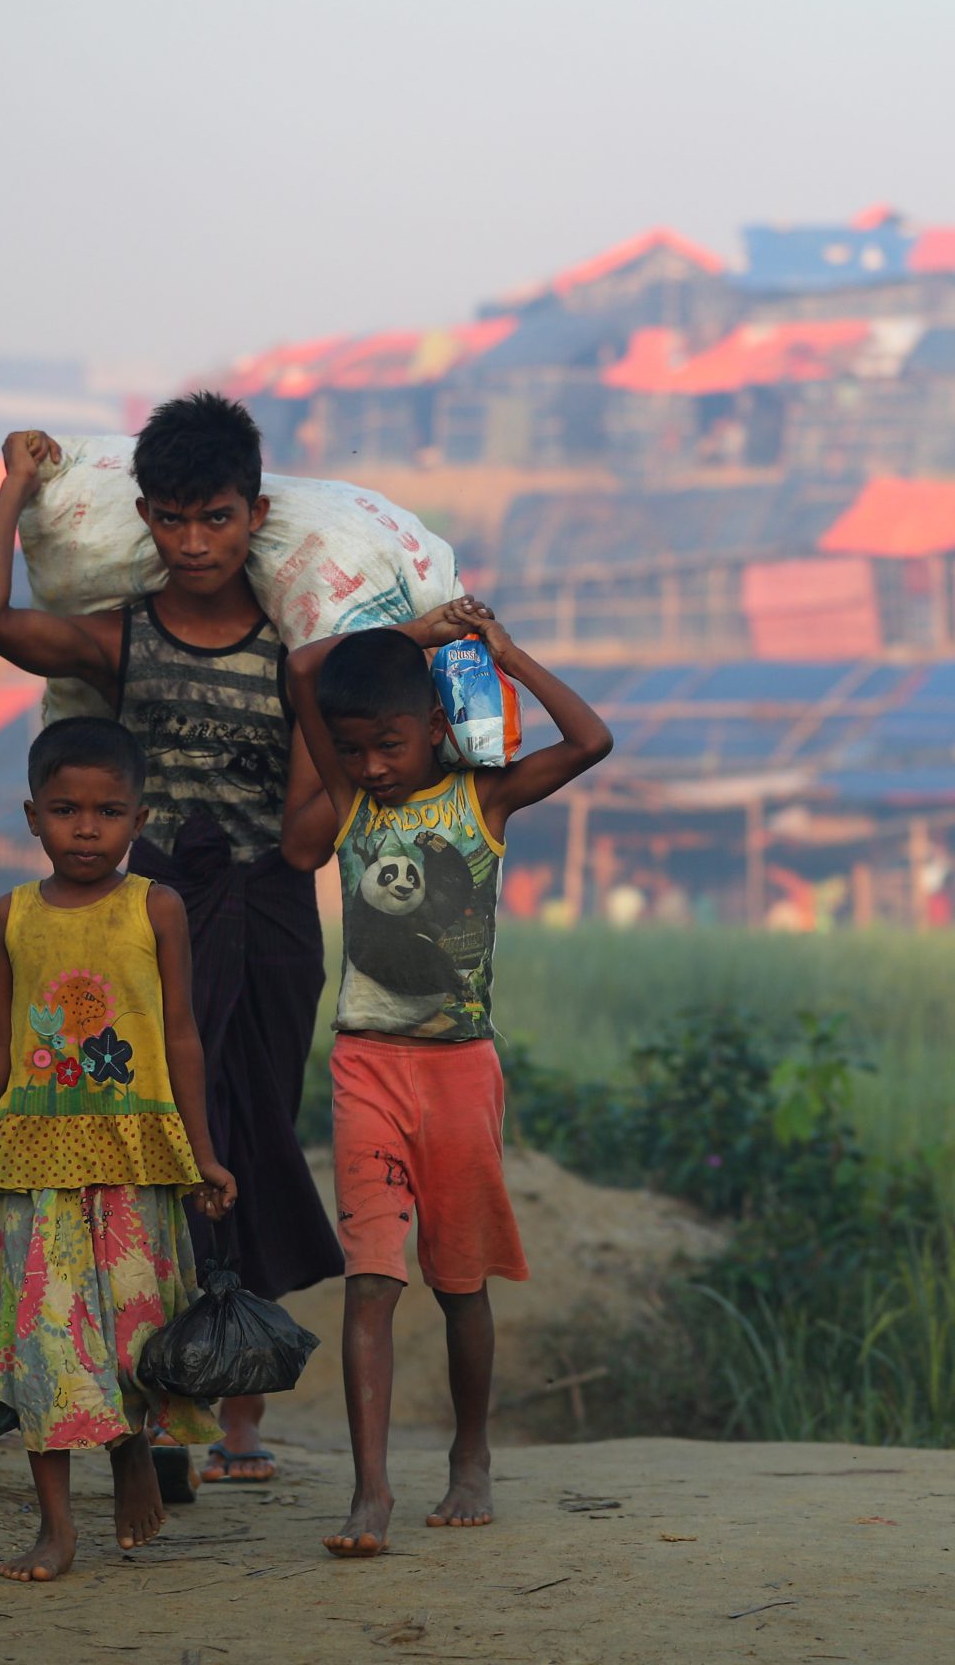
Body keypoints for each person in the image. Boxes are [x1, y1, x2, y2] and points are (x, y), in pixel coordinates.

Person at [0, 401, 346, 1489]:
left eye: (216, 518)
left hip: (264, 922)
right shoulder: (123, 637)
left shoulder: (294, 655)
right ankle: (154, 1410)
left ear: (255, 515)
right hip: (144, 922)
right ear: (146, 519)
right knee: (151, 1146)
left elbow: (313, 829)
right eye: (169, 520)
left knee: (247, 1139)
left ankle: (238, 1411)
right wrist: (16, 485)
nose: (193, 543)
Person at [286, 602, 611, 1557]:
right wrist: (418, 635)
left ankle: (473, 1453)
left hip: (461, 1072)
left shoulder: (483, 801)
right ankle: (371, 1492)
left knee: (460, 1284)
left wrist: (502, 655)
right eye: (352, 751)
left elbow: (591, 739)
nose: (371, 767)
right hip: (365, 1068)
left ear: (435, 728)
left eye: (388, 745)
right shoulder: (350, 806)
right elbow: (305, 671)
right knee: (371, 1281)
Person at [0, 718, 238, 1582]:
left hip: (136, 1155)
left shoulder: (155, 906)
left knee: (135, 1335)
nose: (85, 829)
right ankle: (55, 1527)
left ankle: (131, 1454)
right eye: (65, 810)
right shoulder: (10, 916)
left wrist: (202, 1155)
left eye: (107, 811)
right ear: (31, 816)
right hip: (31, 1162)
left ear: (138, 818)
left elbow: (181, 1037)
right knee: (44, 1340)